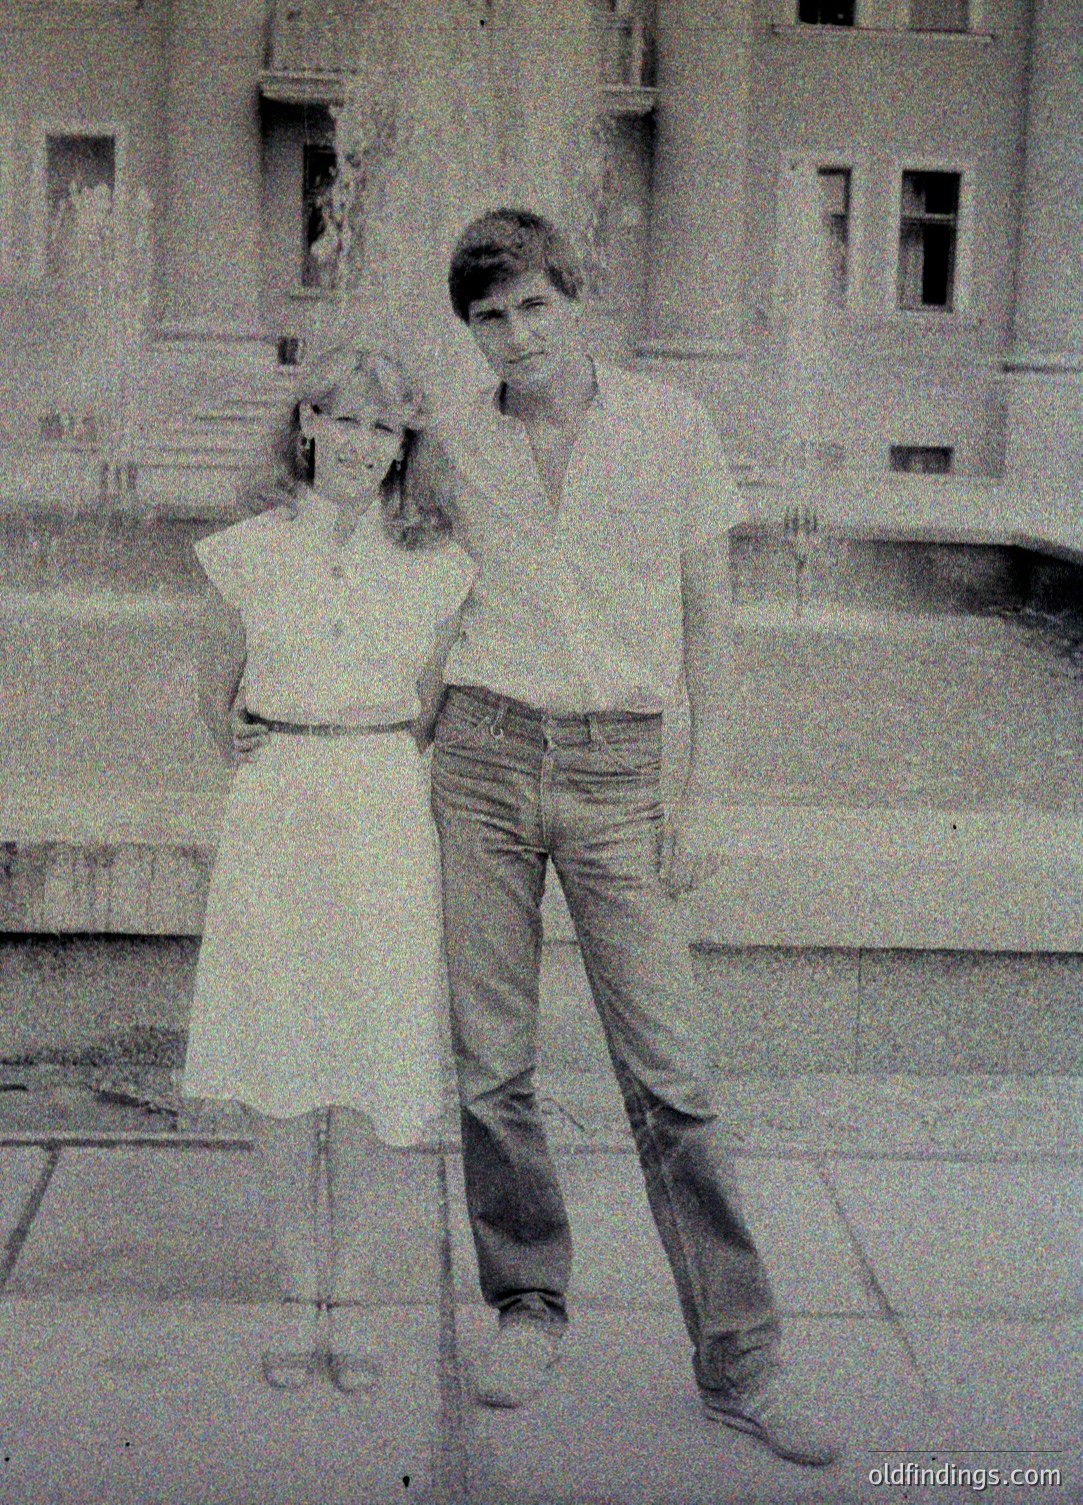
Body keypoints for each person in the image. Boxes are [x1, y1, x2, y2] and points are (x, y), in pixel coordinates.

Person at [428, 209, 840, 1467]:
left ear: (575, 300)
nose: (517, 337)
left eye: (536, 308)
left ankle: (743, 1358)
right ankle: (526, 1303)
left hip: (621, 771)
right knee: (491, 1067)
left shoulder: (668, 426)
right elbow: (340, 526)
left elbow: (711, 621)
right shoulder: (448, 441)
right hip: (484, 761)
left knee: (672, 1082)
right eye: (492, 320)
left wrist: (700, 793)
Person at [182, 351, 475, 1392]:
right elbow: (214, 699)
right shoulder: (246, 550)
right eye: (342, 421)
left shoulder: (437, 561)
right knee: (275, 1032)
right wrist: (259, 736)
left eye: (384, 428)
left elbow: (432, 702)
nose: (361, 445)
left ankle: (348, 1289)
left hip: (381, 802)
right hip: (279, 805)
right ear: (306, 425)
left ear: (405, 447)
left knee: (368, 1035)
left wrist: (369, 750)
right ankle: (296, 1285)